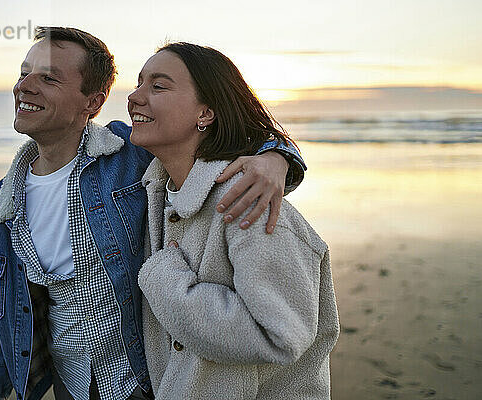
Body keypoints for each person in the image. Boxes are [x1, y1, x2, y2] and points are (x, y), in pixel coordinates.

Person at [0, 28, 307, 400]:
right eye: (23, 73)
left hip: (142, 378)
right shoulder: (1, 204)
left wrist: (278, 158)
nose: (25, 86)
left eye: (48, 78)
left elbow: (231, 132)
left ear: (93, 103)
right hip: (71, 383)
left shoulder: (128, 157)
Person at [129, 42, 340, 399]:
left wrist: (163, 278)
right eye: (138, 83)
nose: (134, 96)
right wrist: (279, 153)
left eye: (158, 86)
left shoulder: (251, 206)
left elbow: (278, 335)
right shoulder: (155, 195)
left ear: (206, 113)